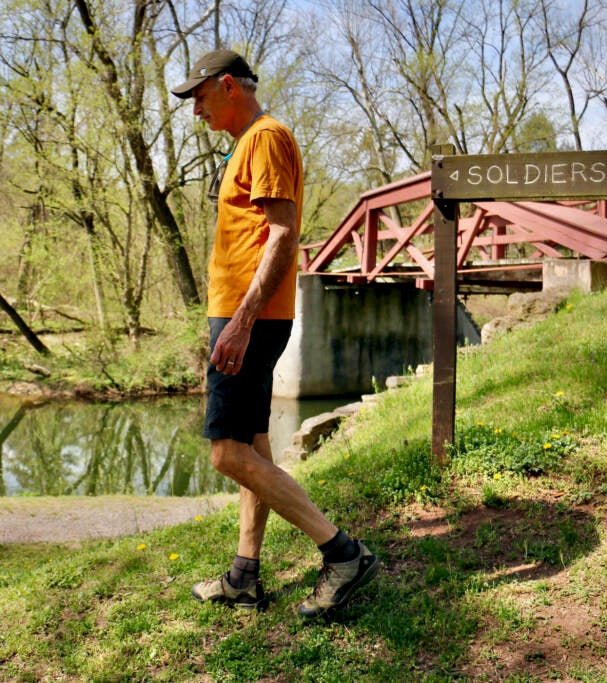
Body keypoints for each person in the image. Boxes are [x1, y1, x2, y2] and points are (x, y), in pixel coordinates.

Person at [170, 49, 378, 619]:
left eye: (199, 97)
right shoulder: (249, 143)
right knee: (255, 444)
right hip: (243, 313)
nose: (195, 111)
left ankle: (343, 552)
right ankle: (244, 575)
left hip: (249, 317)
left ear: (229, 86)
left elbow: (284, 236)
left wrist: (239, 321)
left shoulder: (266, 137)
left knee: (227, 454)